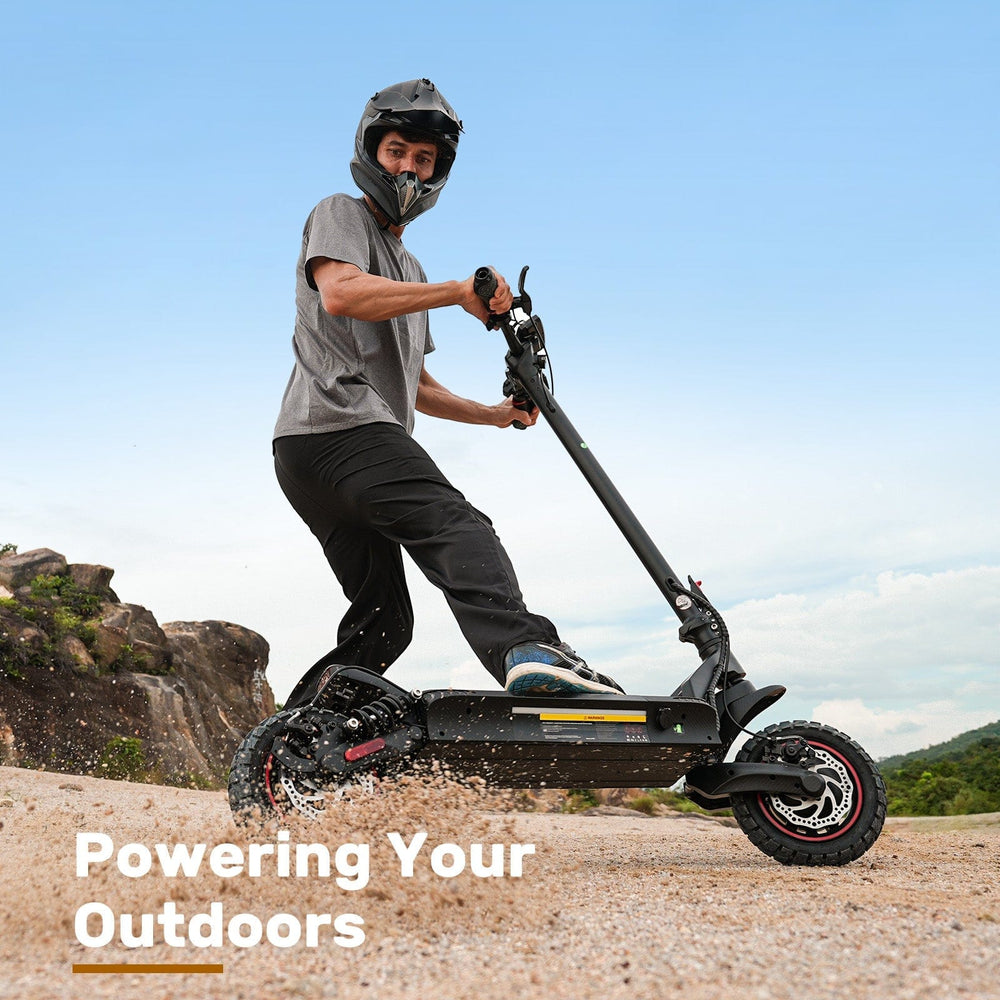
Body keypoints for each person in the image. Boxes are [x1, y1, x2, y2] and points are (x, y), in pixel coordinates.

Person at [273, 78, 624, 710]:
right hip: (337, 427)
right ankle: (526, 649)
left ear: (439, 172)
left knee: (385, 621)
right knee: (456, 525)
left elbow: (416, 385)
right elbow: (342, 293)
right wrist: (458, 291)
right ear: (371, 151)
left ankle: (299, 740)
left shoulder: (409, 270)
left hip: (318, 453)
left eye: (424, 158)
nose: (408, 168)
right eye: (397, 151)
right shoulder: (341, 213)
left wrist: (495, 415)